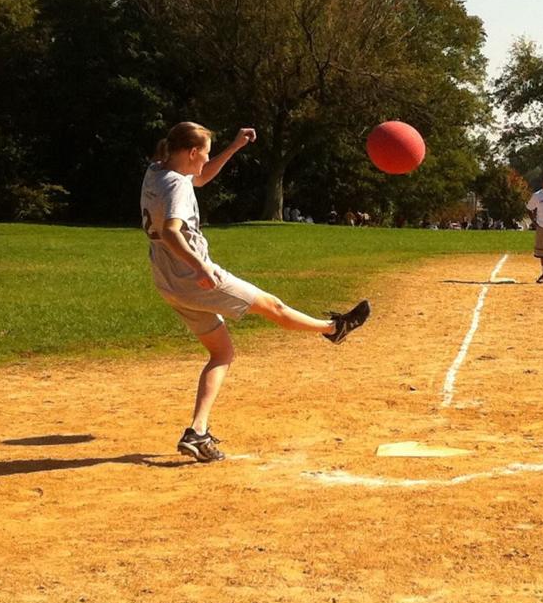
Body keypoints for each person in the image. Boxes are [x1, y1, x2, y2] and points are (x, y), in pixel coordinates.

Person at [141, 122, 371, 463]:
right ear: (191, 152)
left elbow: (199, 179)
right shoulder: (176, 185)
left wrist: (233, 147)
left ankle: (197, 432)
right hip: (195, 279)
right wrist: (202, 268)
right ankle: (333, 329)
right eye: (204, 152)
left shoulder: (157, 171)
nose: (205, 159)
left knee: (222, 355)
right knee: (273, 306)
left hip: (168, 282)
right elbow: (171, 232)